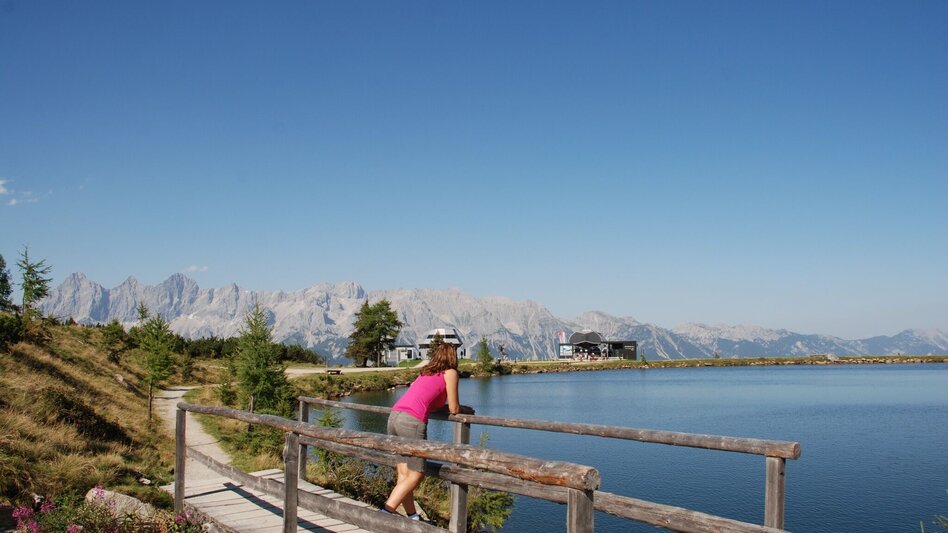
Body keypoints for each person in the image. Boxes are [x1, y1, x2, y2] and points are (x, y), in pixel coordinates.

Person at [382, 343, 475, 519]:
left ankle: (412, 516)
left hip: (394, 416)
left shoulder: (425, 372)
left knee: (403, 474)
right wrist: (465, 409)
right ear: (453, 358)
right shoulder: (451, 373)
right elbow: (454, 408)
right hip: (412, 421)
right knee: (417, 473)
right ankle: (385, 512)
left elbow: (429, 399)